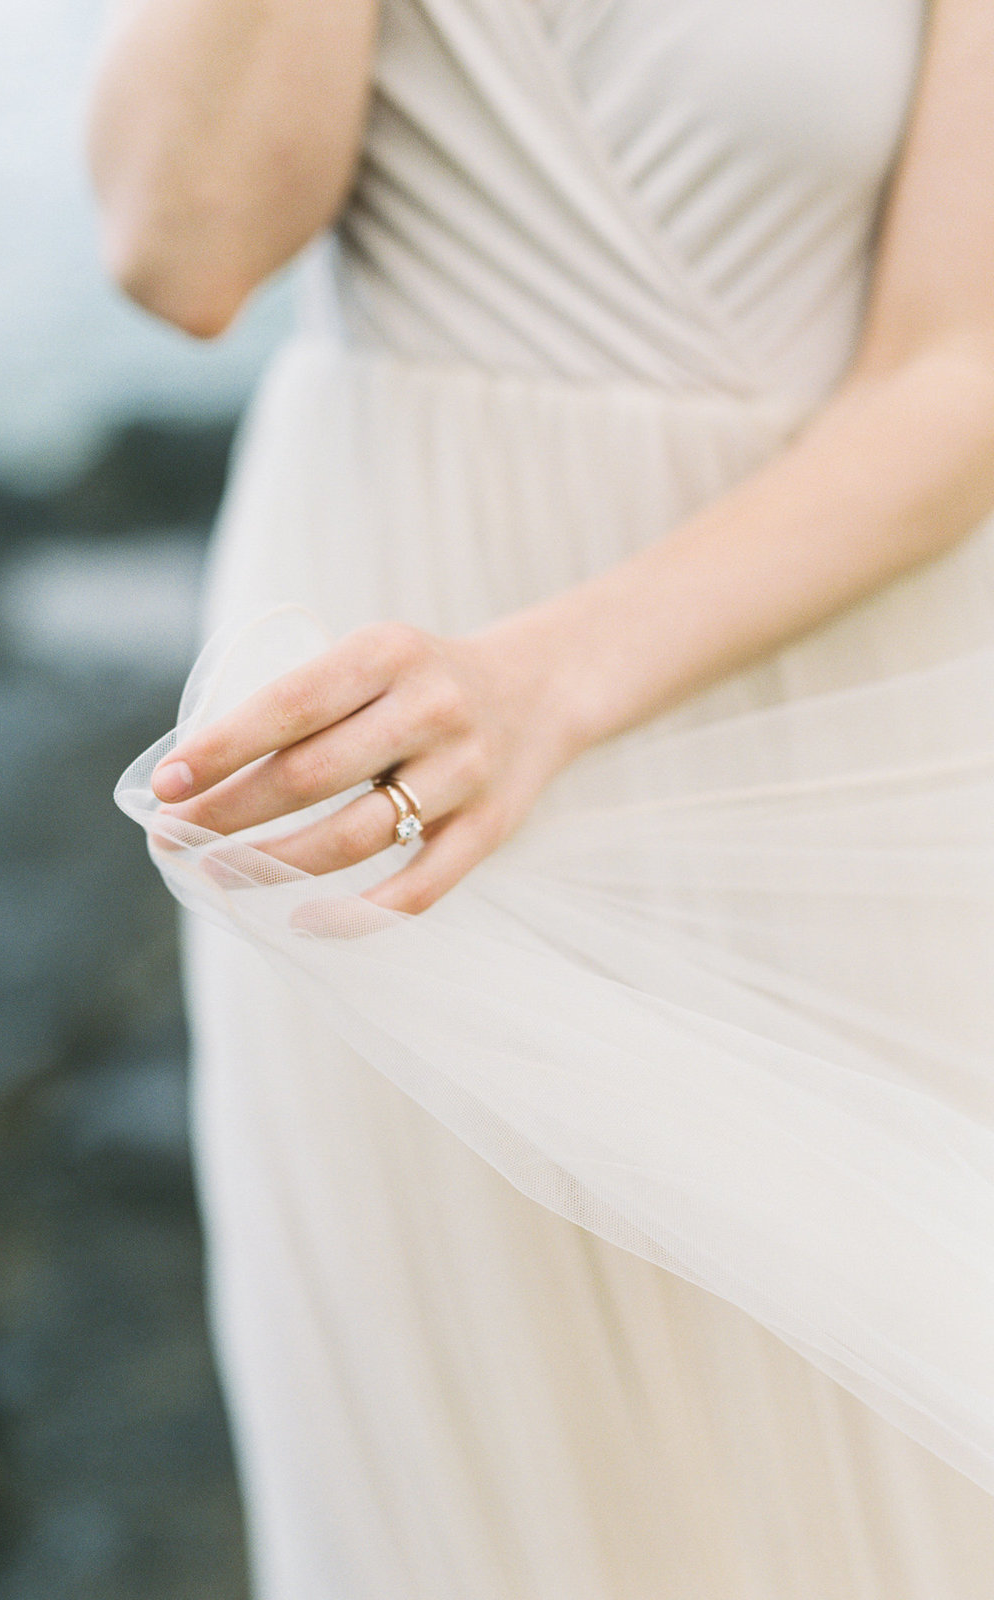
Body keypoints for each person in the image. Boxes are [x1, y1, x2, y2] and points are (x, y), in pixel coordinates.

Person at [89, 2, 994, 1594]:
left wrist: (545, 685)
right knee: (470, 1485)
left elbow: (963, 371)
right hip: (379, 715)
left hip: (811, 686)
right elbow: (188, 246)